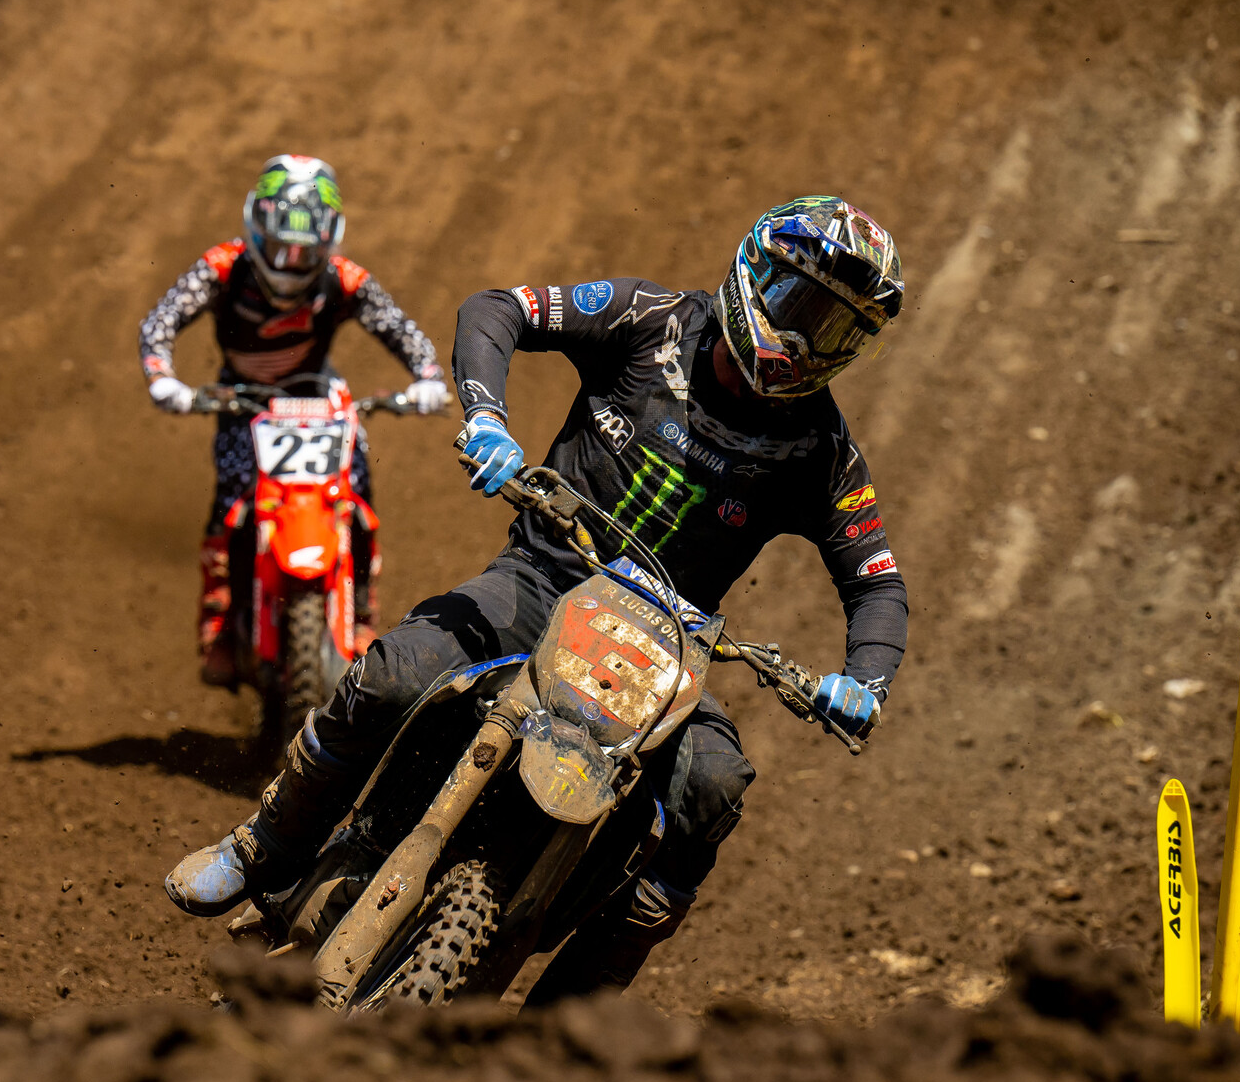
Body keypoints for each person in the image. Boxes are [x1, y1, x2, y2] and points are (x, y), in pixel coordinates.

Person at [166, 196, 909, 1001]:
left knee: (711, 793)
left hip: (668, 646)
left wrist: (864, 681)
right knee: (395, 672)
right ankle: (262, 846)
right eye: (805, 309)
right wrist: (487, 419)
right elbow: (498, 309)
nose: (808, 342)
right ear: (756, 273)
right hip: (545, 577)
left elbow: (877, 581)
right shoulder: (648, 320)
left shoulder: (820, 449)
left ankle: (573, 1017)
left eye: (838, 330)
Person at [140, 154, 452, 685]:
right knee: (231, 501)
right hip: (244, 400)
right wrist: (162, 376)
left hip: (319, 396)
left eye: (303, 252)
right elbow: (162, 320)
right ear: (255, 226)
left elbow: (401, 329)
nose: (288, 262)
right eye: (278, 245)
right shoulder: (223, 266)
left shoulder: (343, 278)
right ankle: (218, 621)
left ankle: (359, 617)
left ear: (327, 241)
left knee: (355, 492)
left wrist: (427, 377)